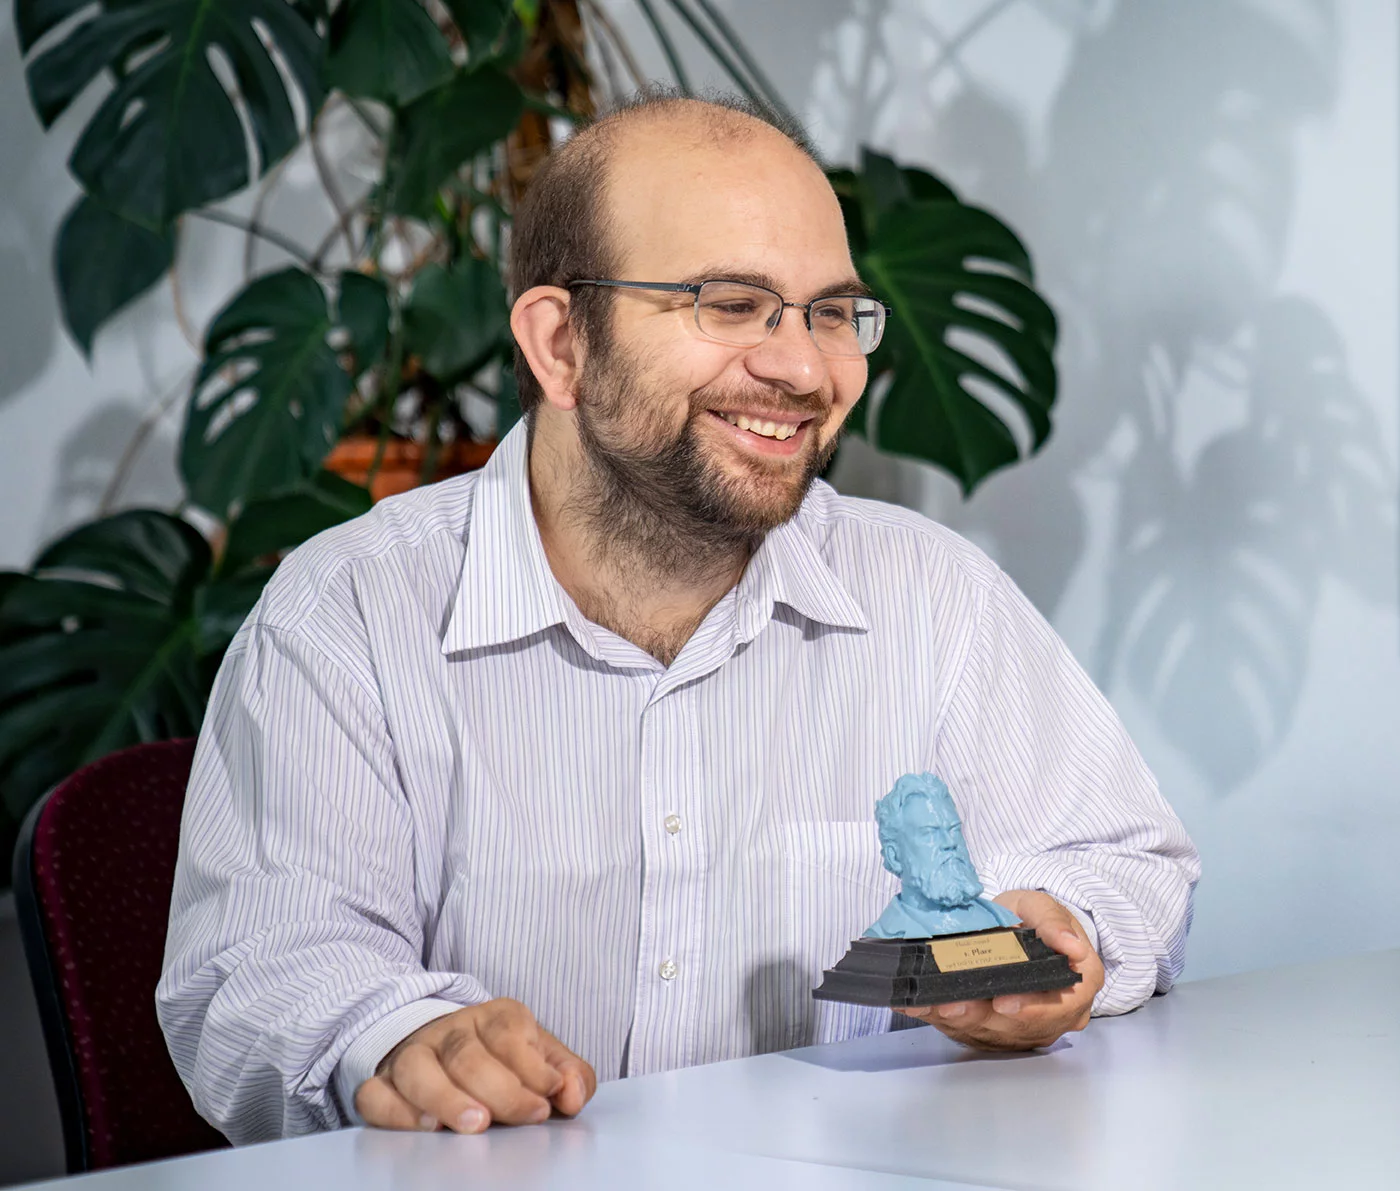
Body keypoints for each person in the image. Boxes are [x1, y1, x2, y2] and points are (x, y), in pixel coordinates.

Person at [156, 91, 1199, 1144]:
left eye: (831, 312)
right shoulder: (348, 615)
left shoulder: (934, 595)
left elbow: (1127, 864)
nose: (802, 368)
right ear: (561, 344)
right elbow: (262, 970)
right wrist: (397, 1038)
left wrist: (1065, 931)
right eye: (731, 303)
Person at [865, 773, 1023, 939]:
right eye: (930, 833)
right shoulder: (886, 936)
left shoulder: (1000, 918)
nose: (949, 842)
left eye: (954, 830)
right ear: (895, 857)